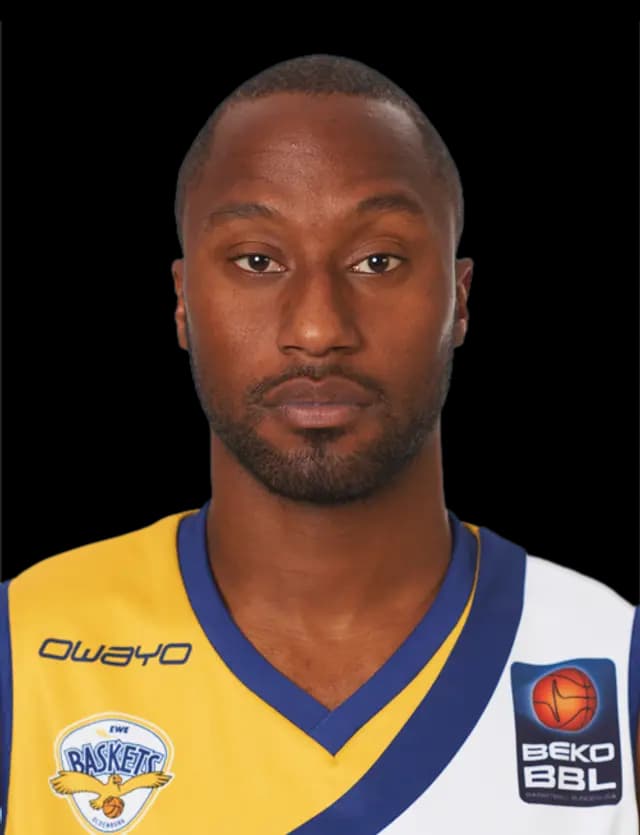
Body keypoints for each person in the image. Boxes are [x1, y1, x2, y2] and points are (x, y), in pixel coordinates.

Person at [0, 53, 637, 835]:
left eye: (377, 260)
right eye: (257, 260)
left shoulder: (610, 657)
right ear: (182, 302)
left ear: (461, 298)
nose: (316, 328)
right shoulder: (24, 648)